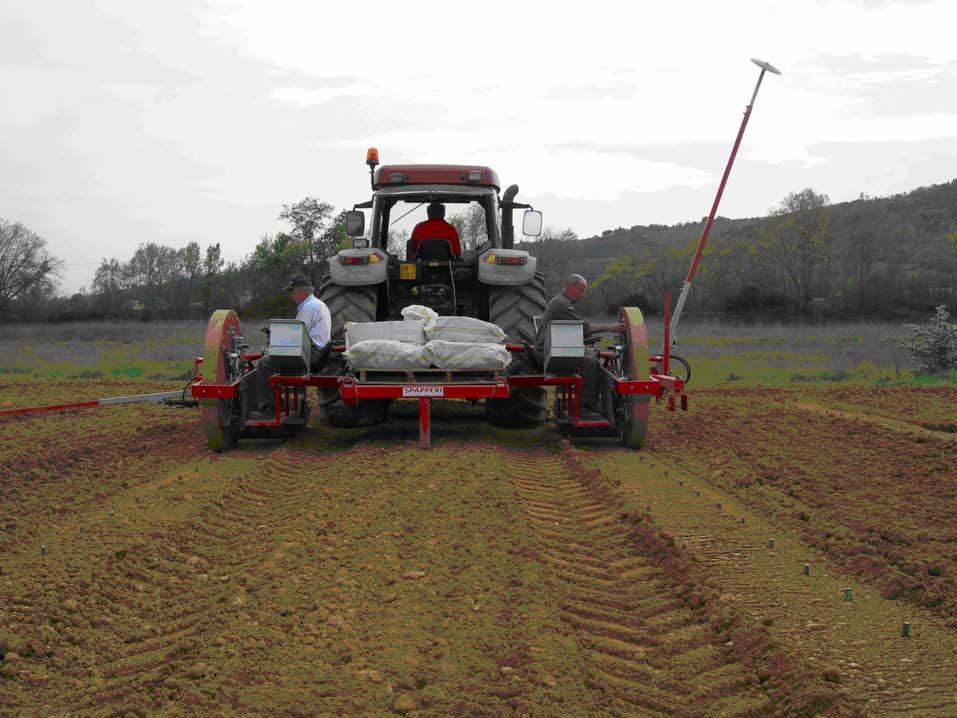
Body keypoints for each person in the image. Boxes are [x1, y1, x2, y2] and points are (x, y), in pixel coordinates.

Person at [535, 274, 620, 419]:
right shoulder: (561, 304)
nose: (583, 295)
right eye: (581, 290)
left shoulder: (561, 302)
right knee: (590, 363)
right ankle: (582, 407)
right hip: (546, 353)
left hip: (549, 349)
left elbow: (575, 330)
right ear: (570, 287)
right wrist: (610, 327)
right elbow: (584, 328)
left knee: (591, 360)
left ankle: (593, 404)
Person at [252, 274, 332, 416]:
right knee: (271, 358)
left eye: (292, 291)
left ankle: (269, 408)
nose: (290, 296)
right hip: (317, 353)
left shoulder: (309, 307)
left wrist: (275, 341)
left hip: (310, 355)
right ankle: (277, 404)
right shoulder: (319, 304)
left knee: (264, 364)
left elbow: (296, 337)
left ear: (301, 291)